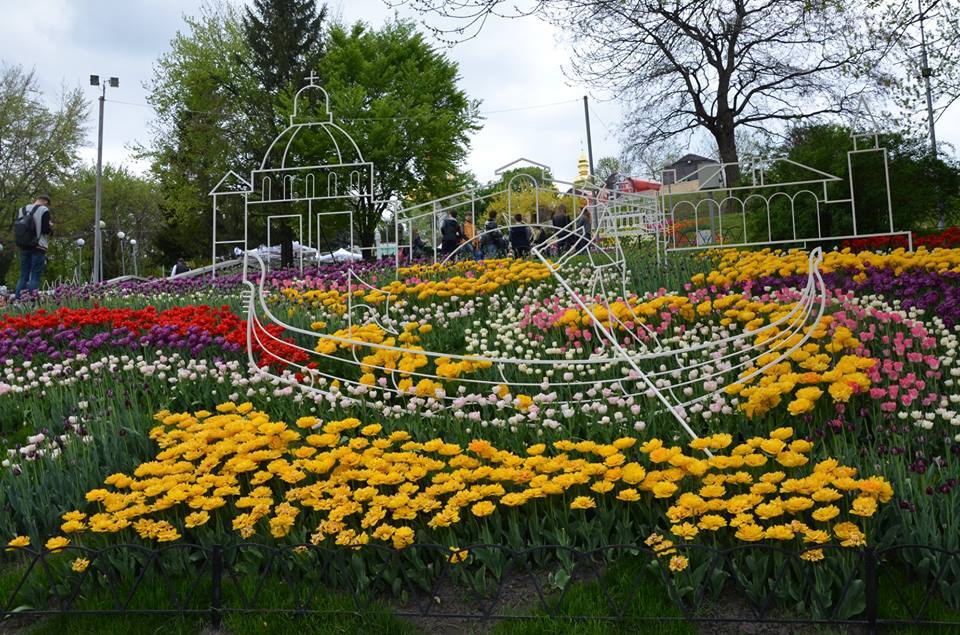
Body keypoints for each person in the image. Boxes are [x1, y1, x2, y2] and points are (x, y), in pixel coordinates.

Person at [14, 194, 53, 299]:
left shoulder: (21, 210)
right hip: (38, 246)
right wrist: (50, 227)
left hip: (24, 246)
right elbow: (45, 230)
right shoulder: (44, 210)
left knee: (23, 276)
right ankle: (32, 300)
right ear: (45, 201)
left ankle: (18, 300)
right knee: (35, 276)